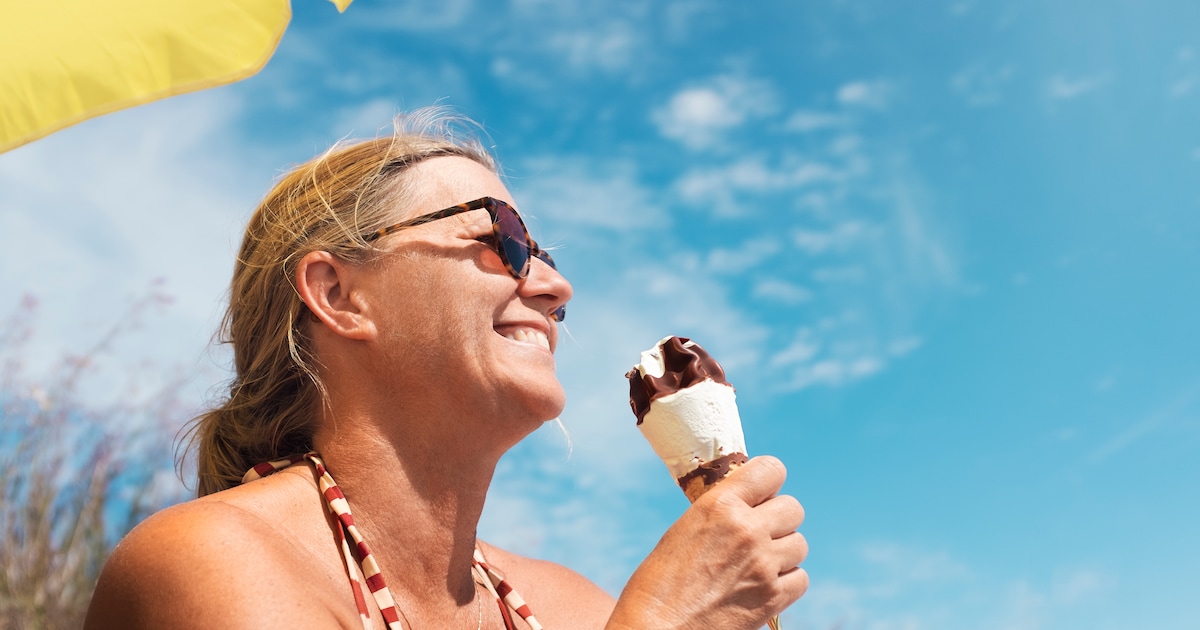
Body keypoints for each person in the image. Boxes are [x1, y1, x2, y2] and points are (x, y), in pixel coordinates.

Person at [84, 110, 808, 629]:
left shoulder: (574, 610)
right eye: (505, 238)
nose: (556, 289)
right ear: (339, 295)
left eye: (546, 256)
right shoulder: (211, 564)